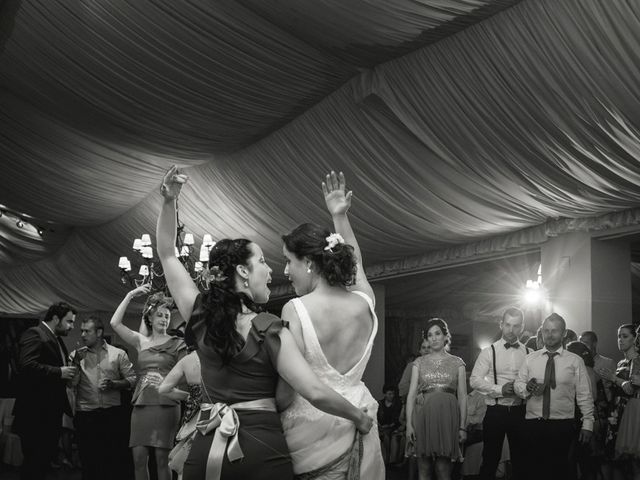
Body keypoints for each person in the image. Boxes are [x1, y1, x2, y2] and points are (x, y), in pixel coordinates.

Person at [156, 166, 373, 480]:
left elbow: (166, 254)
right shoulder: (268, 327)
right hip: (261, 452)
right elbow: (313, 391)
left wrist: (168, 203)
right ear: (243, 272)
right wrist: (359, 418)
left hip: (205, 449)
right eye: (260, 262)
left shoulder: (198, 314)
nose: (270, 270)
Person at [279, 170, 385, 479]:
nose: (286, 271)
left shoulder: (295, 309)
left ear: (309, 262)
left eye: (289, 261)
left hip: (311, 428)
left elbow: (287, 391)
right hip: (360, 417)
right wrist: (340, 216)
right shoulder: (365, 303)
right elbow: (357, 263)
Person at [110, 285, 187, 480]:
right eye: (160, 315)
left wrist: (166, 382)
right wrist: (130, 295)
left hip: (166, 405)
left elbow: (187, 384)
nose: (164, 319)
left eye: (167, 316)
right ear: (150, 318)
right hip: (141, 405)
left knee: (162, 460)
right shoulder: (141, 342)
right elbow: (115, 323)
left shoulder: (178, 344)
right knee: (138, 460)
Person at [514, 313, 594, 480]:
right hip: (533, 424)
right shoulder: (530, 359)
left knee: (560, 471)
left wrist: (588, 423)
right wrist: (526, 388)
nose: (549, 335)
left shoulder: (575, 361)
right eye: (546, 331)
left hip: (563, 425)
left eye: (554, 331)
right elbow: (518, 385)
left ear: (564, 333)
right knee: (533, 470)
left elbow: (584, 394)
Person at [13, 301, 77, 480]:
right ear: (56, 318)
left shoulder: (56, 339)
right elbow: (26, 366)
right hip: (35, 415)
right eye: (69, 321)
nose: (72, 326)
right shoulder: (35, 333)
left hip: (48, 414)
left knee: (42, 464)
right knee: (34, 465)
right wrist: (59, 372)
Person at [70, 316, 137, 480]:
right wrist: (75, 364)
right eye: (82, 331)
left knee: (112, 460)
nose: (83, 335)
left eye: (87, 331)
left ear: (99, 332)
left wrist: (114, 384)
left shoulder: (118, 354)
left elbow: (133, 380)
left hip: (112, 415)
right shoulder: (76, 356)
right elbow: (71, 384)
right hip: (86, 414)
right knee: (88, 461)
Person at [470, 307, 528, 480]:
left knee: (521, 461)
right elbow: (474, 380)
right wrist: (499, 390)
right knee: (490, 460)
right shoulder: (489, 352)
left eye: (516, 326)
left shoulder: (528, 353)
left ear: (522, 327)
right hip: (496, 412)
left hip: (520, 413)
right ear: (501, 325)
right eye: (508, 325)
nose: (511, 330)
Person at [406, 318, 467, 480]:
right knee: (424, 469)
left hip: (448, 417)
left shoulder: (458, 363)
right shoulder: (418, 363)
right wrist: (408, 426)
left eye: (437, 333)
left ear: (446, 336)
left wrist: (462, 427)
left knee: (443, 469)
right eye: (430, 335)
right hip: (424, 417)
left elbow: (462, 397)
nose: (433, 338)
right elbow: (411, 395)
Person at [595, 324, 640, 480]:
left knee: (632, 459)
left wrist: (613, 378)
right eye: (619, 336)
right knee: (616, 458)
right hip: (615, 410)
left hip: (631, 412)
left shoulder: (637, 360)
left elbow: (630, 390)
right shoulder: (621, 363)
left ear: (635, 339)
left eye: (625, 336)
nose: (620, 340)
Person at [157, 351, 203, 479]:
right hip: (224, 415)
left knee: (188, 464)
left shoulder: (188, 359)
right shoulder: (227, 353)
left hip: (195, 417)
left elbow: (163, 389)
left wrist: (191, 397)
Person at [378, 385, 403, 465]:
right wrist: (380, 425)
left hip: (392, 426)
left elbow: (397, 419)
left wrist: (388, 426)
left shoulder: (397, 404)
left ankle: (390, 459)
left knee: (388, 435)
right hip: (381, 427)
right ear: (385, 394)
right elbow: (377, 417)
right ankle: (387, 458)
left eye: (392, 394)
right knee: (383, 434)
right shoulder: (380, 404)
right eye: (389, 394)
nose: (391, 396)